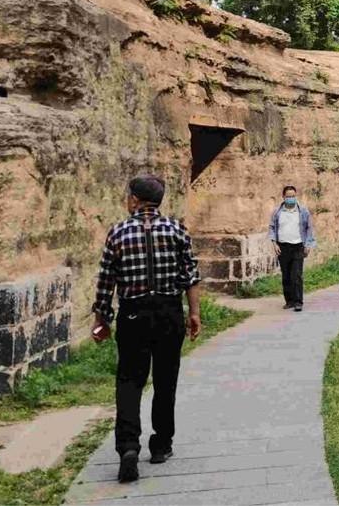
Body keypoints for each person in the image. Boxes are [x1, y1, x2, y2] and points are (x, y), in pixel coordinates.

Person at [91, 174, 202, 484]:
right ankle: (161, 444)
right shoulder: (176, 229)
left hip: (132, 314)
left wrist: (102, 319)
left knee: (129, 380)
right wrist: (194, 313)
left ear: (135, 200)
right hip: (168, 311)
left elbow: (106, 281)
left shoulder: (118, 232)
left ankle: (128, 446)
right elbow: (190, 276)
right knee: (166, 380)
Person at [267, 185, 315, 312]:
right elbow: (272, 227)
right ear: (283, 197)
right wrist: (274, 243)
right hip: (282, 247)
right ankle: (289, 301)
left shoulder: (303, 211)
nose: (291, 198)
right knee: (286, 276)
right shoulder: (277, 212)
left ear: (296, 196)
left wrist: (308, 245)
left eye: (293, 196)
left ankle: (298, 302)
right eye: (288, 196)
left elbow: (309, 228)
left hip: (298, 246)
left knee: (297, 275)